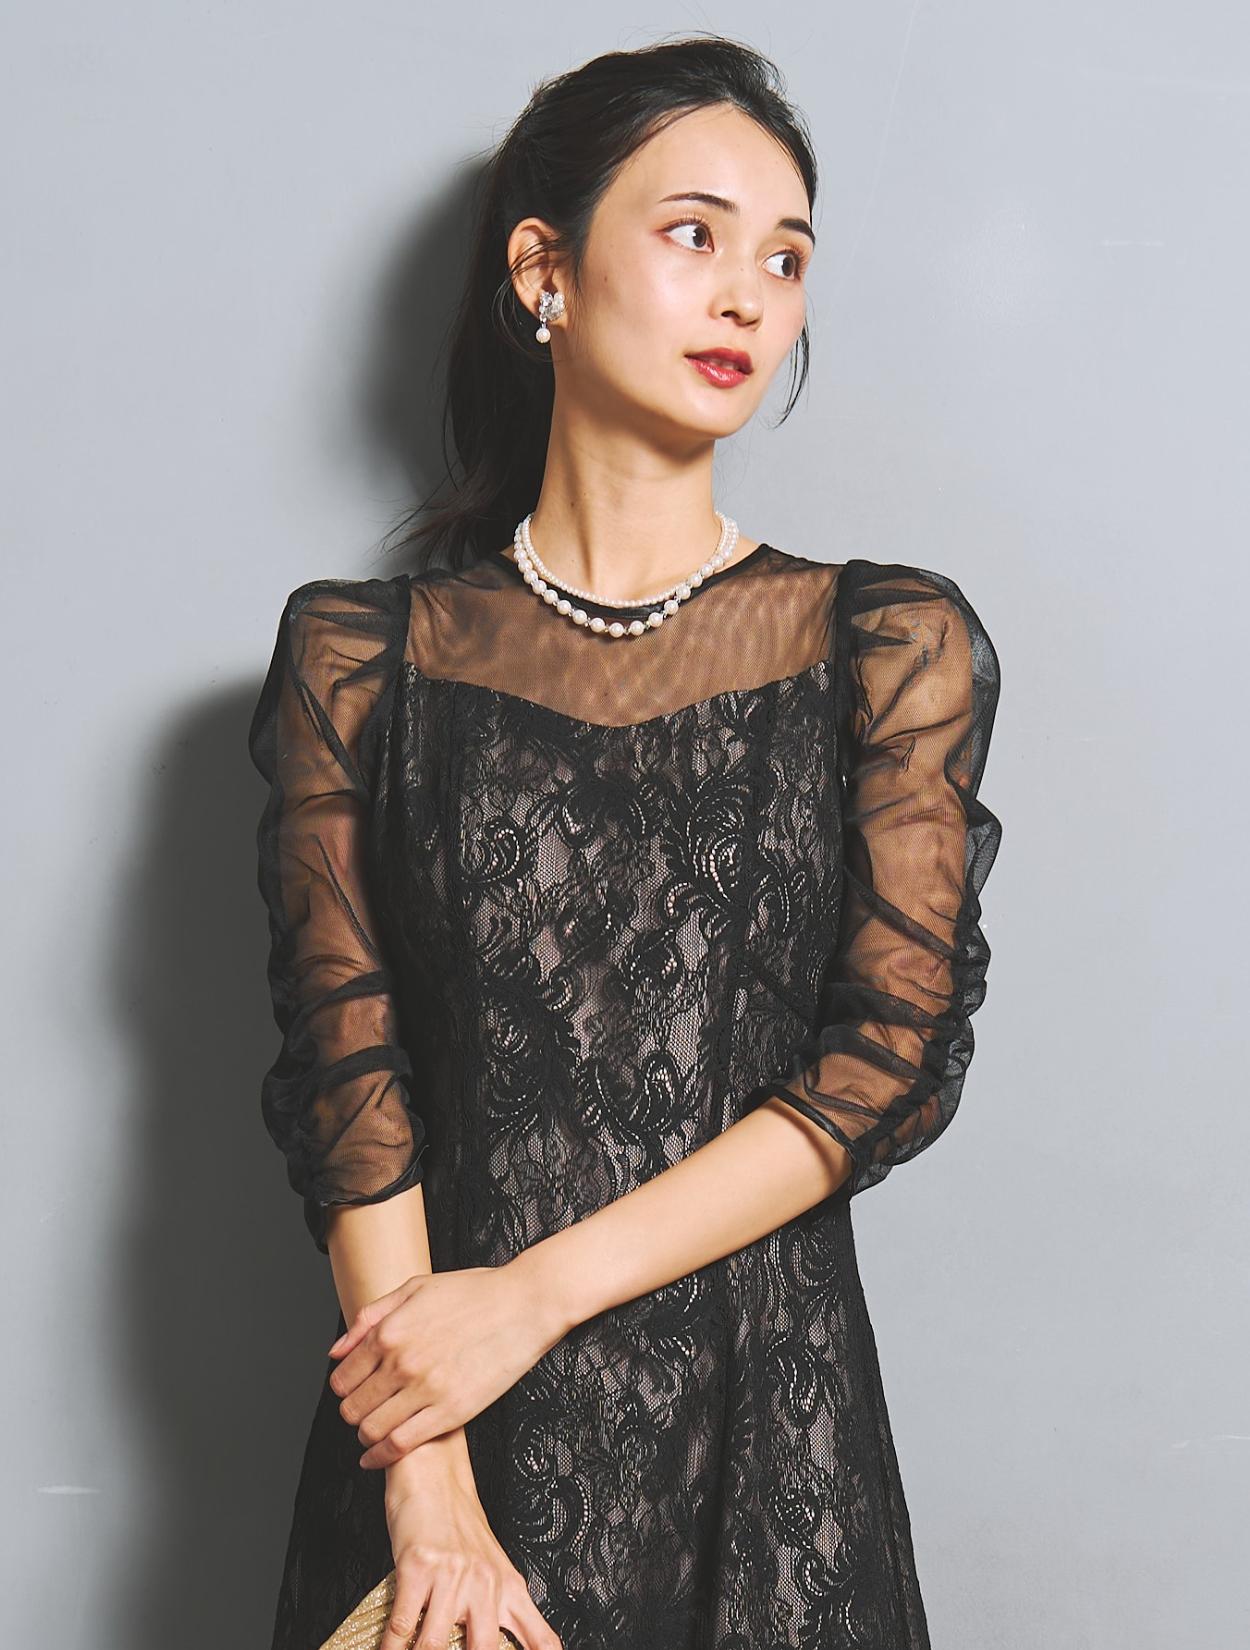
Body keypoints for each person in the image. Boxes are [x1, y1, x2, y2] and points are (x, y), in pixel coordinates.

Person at [248, 34, 1003, 1650]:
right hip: (436, 1443)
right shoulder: (358, 661)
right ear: (545, 271)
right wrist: (427, 1483)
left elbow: (886, 1058)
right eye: (692, 233)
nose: (746, 295)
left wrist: (525, 1298)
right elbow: (346, 1072)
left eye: (784, 258)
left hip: (766, 1458)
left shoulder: (885, 645)